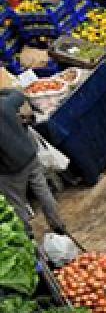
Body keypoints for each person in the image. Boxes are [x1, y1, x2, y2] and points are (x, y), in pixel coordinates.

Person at [0, 89, 67, 234]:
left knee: (17, 204)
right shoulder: (5, 104)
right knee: (43, 192)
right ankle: (58, 225)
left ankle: (28, 235)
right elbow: (18, 94)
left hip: (10, 170)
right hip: (29, 156)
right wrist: (3, 91)